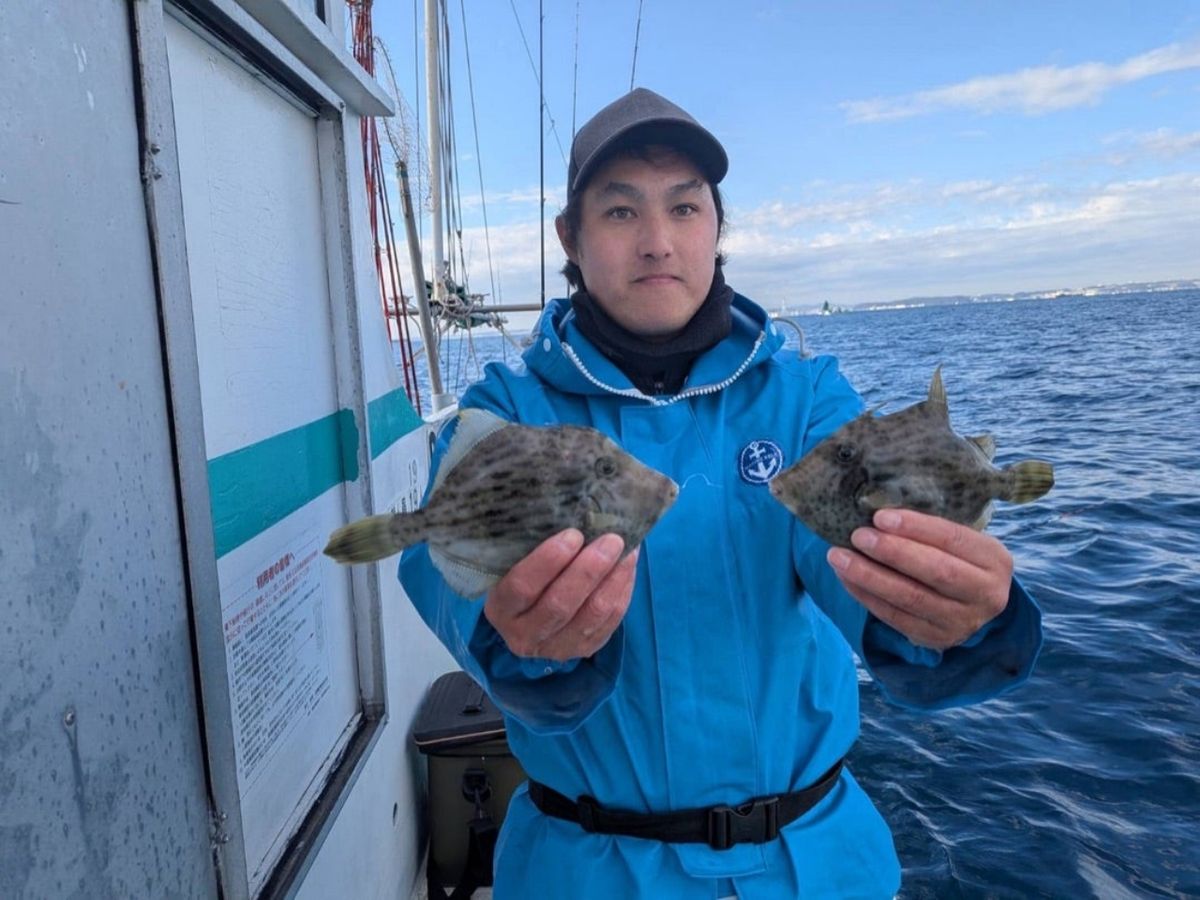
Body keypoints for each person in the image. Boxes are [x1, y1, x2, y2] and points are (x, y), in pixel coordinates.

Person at [401, 87, 1042, 898]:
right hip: (590, 870)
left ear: (716, 227)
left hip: (816, 867)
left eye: (685, 207)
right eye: (621, 212)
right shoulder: (508, 408)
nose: (658, 242)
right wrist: (519, 646)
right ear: (570, 236)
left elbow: (853, 554)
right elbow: (445, 572)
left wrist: (945, 616)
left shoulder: (806, 398)